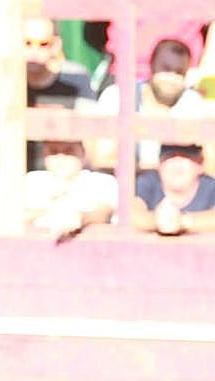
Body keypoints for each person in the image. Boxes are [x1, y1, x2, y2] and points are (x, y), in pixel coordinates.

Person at [94, 38, 213, 171]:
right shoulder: (118, 96)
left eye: (179, 72)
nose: (171, 79)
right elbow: (101, 157)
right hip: (125, 181)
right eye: (166, 69)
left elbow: (210, 162)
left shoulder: (193, 103)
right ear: (151, 65)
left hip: (175, 187)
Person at [24, 139, 116, 236]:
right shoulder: (32, 181)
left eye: (69, 151)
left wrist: (79, 219)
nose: (61, 159)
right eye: (53, 151)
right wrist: (51, 210)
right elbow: (15, 216)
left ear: (82, 154)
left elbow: (103, 213)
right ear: (44, 155)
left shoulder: (101, 181)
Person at [131, 143, 215, 235]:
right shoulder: (147, 182)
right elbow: (132, 213)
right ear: (159, 163)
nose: (177, 163)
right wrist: (157, 221)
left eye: (186, 156)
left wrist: (183, 222)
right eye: (170, 156)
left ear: (200, 165)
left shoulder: (211, 186)